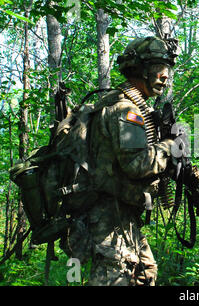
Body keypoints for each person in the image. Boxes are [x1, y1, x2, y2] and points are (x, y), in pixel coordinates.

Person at [60, 36, 180, 286]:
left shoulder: (117, 103)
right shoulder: (125, 109)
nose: (165, 76)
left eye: (166, 69)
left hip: (118, 214)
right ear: (141, 70)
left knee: (145, 273)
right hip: (107, 219)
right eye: (159, 69)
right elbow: (137, 165)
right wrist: (171, 146)